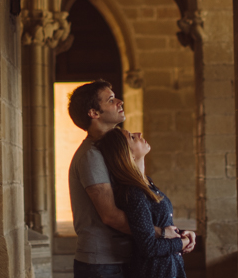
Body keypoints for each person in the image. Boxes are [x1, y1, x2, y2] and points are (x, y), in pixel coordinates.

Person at [95, 127, 195, 278]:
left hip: (169, 267)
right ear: (128, 154)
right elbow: (148, 246)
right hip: (155, 271)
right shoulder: (133, 192)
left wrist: (180, 234)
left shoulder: (147, 183)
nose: (139, 134)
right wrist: (183, 243)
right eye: (132, 138)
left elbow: (155, 223)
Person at [67, 80, 134, 278]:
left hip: (119, 258)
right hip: (102, 265)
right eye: (111, 100)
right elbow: (110, 216)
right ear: (94, 113)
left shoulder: (111, 152)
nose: (120, 102)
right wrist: (159, 233)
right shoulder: (91, 156)